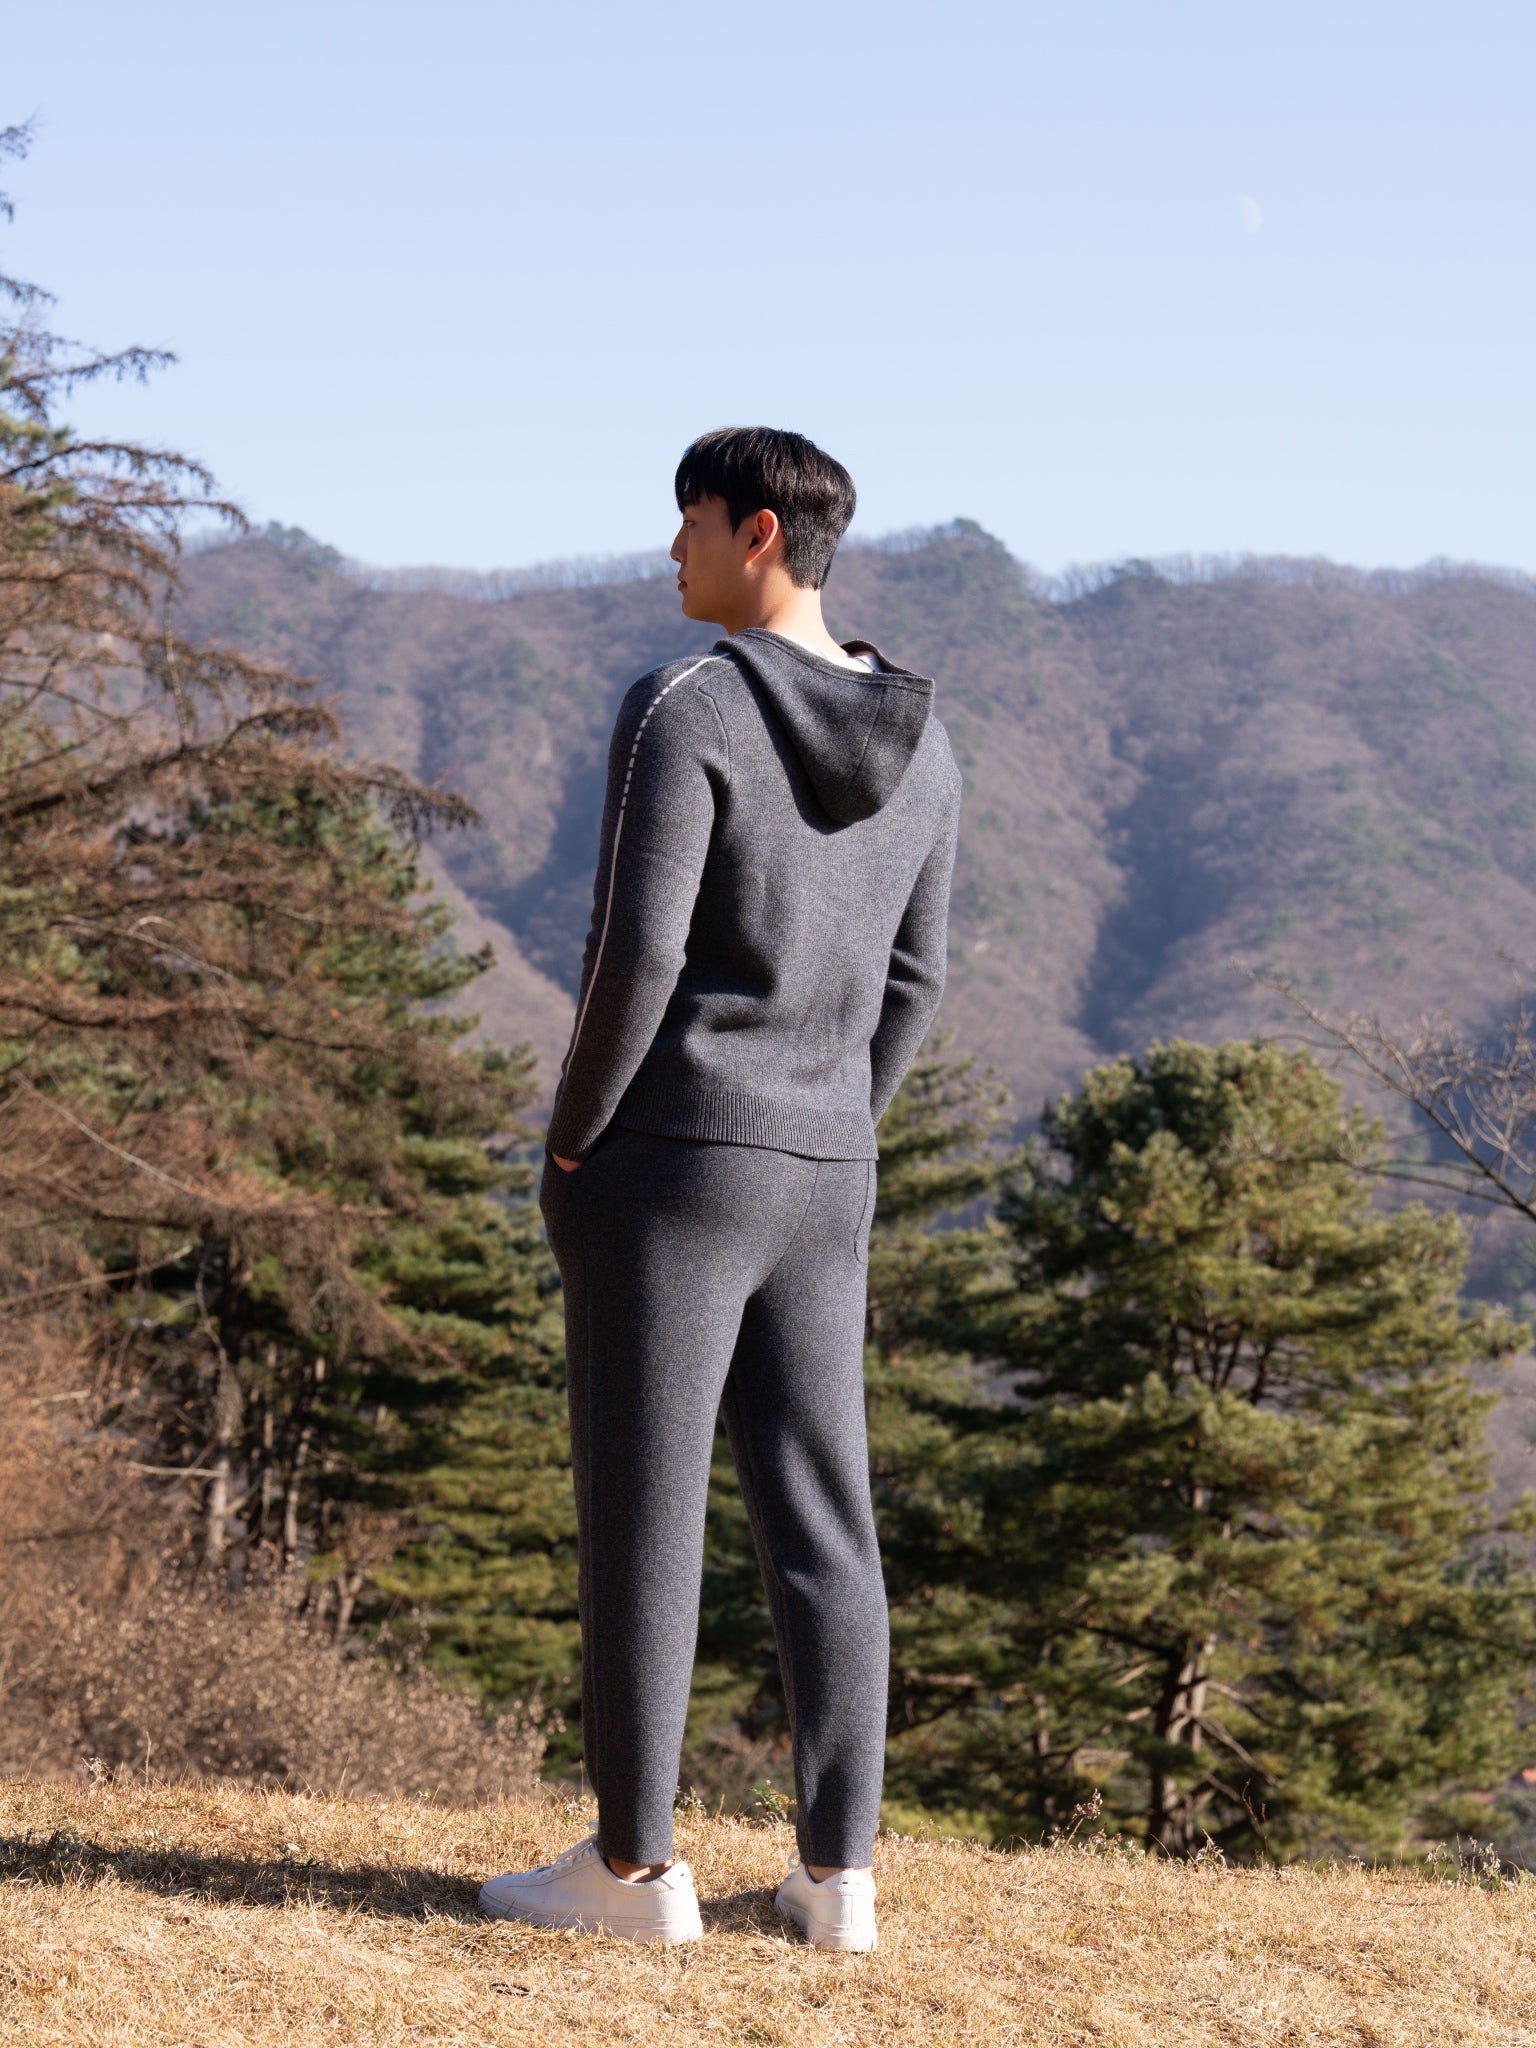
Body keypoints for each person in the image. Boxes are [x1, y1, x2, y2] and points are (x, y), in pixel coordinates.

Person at [478, 427, 960, 1949]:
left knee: (646, 1505)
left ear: (756, 533)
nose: (669, 551)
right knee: (824, 1515)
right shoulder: (926, 741)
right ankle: (838, 1880)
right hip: (825, 1171)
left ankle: (634, 1874)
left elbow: (640, 955)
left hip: (673, 1160)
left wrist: (574, 1139)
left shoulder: (685, 703)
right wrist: (834, 1125)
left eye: (686, 523)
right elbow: (918, 981)